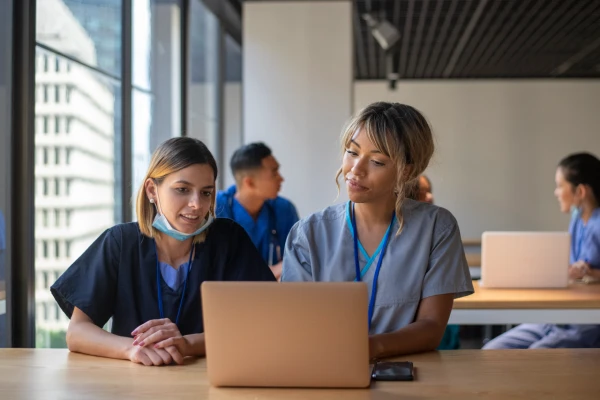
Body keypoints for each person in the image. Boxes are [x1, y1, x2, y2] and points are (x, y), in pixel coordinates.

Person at [51, 137, 275, 366]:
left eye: (206, 193)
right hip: (134, 384)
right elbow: (77, 332)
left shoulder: (229, 240)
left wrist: (188, 344)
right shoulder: (120, 243)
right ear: (152, 190)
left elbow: (264, 324)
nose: (196, 204)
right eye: (182, 190)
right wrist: (131, 349)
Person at [281, 102, 474, 359]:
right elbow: (295, 324)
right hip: (328, 368)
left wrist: (369, 348)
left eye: (376, 161)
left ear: (407, 169)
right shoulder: (308, 234)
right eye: (352, 152)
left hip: (410, 372)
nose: (355, 170)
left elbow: (431, 327)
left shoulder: (437, 227)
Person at [483, 152, 600, 349]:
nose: (556, 192)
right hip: (559, 316)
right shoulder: (577, 220)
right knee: (492, 350)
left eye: (560, 186)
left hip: (586, 323)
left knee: (535, 356)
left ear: (580, 191)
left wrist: (591, 273)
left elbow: (589, 271)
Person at [216, 143, 299, 280]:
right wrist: (270, 272)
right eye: (274, 172)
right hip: (228, 297)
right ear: (249, 182)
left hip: (274, 296)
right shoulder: (217, 207)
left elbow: (297, 260)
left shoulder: (284, 209)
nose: (281, 178)